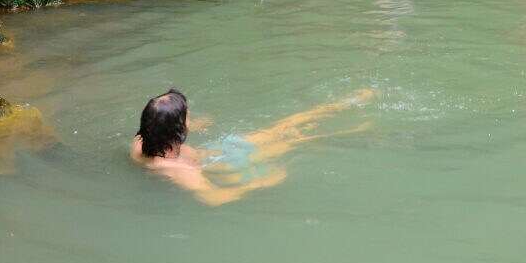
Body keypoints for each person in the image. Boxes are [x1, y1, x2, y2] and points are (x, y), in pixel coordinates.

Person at [131, 88, 374, 205]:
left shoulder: (141, 144)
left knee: (278, 131)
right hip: (225, 161)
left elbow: (158, 124)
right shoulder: (179, 172)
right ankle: (355, 125)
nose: (191, 120)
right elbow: (215, 198)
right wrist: (261, 183)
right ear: (178, 129)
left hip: (217, 152)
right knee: (291, 140)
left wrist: (194, 126)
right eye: (188, 117)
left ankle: (334, 108)